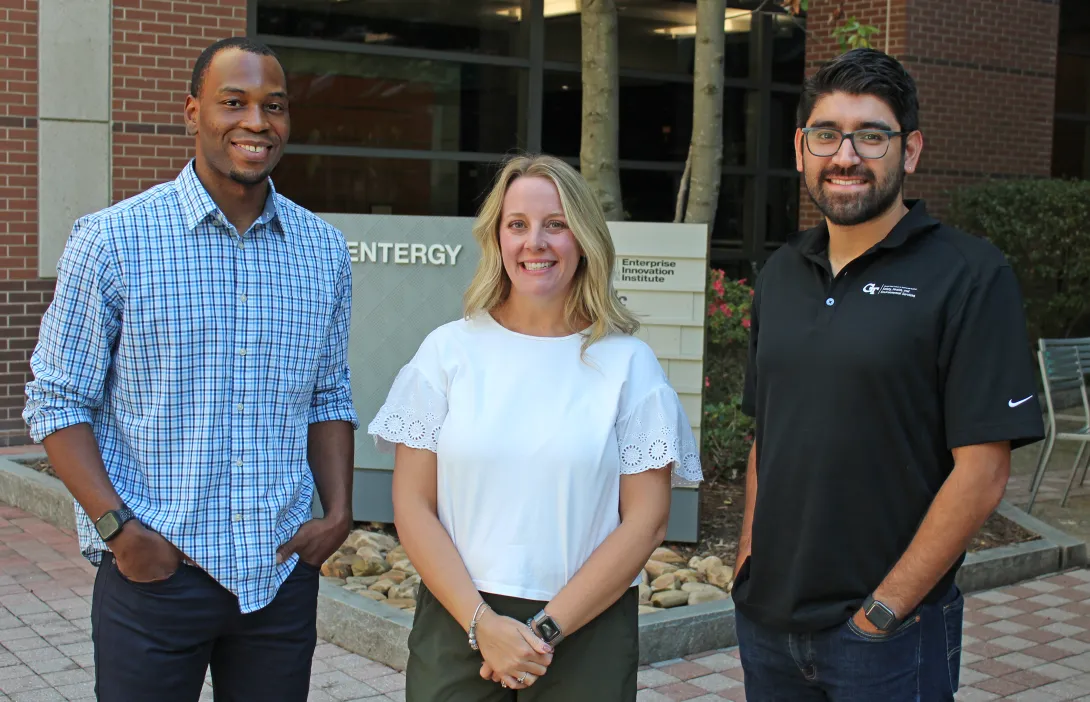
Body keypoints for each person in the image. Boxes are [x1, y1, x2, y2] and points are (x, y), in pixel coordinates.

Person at [22, 37, 358, 701]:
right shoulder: (113, 241)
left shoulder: (323, 251)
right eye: (233, 103)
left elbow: (328, 393)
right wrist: (119, 530)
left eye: (274, 106)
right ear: (192, 112)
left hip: (279, 576)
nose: (256, 122)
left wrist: (340, 513)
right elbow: (57, 400)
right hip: (156, 572)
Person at [731, 48, 1045, 700]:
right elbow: (770, 434)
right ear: (800, 150)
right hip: (768, 627)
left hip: (886, 638)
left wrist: (883, 612)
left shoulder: (970, 275)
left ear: (911, 151)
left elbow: (983, 472)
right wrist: (747, 567)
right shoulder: (782, 273)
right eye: (826, 134)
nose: (845, 155)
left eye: (871, 135)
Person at [367, 153, 702, 700]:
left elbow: (646, 521)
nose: (535, 242)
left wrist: (541, 634)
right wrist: (484, 625)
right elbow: (411, 505)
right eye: (517, 225)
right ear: (496, 238)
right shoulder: (447, 352)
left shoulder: (628, 364)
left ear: (585, 238)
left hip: (587, 628)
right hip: (458, 622)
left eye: (556, 224)